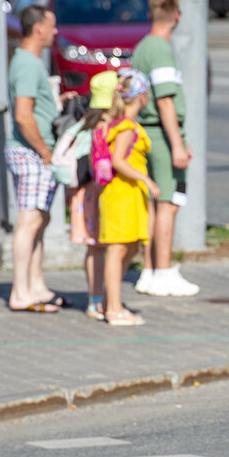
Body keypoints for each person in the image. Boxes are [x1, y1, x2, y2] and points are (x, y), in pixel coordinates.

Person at [6, 4, 77, 313]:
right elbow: (23, 116)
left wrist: (56, 102)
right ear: (38, 29)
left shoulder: (29, 62)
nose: (55, 32)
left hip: (35, 152)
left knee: (40, 219)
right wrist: (45, 152)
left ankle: (35, 286)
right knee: (30, 220)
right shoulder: (26, 64)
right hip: (31, 152)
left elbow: (32, 108)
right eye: (52, 26)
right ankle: (20, 291)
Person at [130, 0, 199, 297]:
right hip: (161, 133)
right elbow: (166, 101)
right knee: (168, 204)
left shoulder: (143, 46)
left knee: (152, 205)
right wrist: (177, 145)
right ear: (177, 16)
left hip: (147, 130)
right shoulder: (160, 49)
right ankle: (162, 272)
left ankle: (148, 271)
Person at [98, 69, 159, 326]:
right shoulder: (125, 127)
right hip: (120, 195)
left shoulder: (129, 124)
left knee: (130, 247)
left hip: (129, 195)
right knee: (118, 249)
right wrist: (145, 179)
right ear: (142, 96)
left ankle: (109, 300)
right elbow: (118, 161)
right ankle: (113, 309)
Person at [67, 71, 120, 321]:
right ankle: (98, 301)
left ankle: (94, 298)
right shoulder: (105, 127)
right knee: (100, 248)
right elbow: (102, 169)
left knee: (93, 249)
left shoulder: (85, 121)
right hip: (95, 193)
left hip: (82, 193)